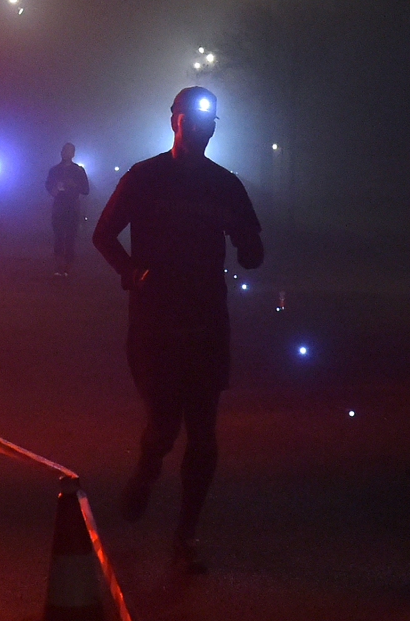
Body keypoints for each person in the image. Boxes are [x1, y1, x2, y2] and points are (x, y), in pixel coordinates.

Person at [92, 86, 263, 573]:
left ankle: (187, 533)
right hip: (156, 320)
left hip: (206, 318)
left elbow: (253, 254)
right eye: (194, 118)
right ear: (175, 122)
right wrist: (132, 272)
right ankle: (148, 466)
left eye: (212, 121)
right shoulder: (145, 177)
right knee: (166, 422)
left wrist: (244, 236)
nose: (204, 127)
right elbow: (104, 234)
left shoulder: (226, 185)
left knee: (204, 432)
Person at [45, 142, 90, 277]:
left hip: (72, 207)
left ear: (73, 154)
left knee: (70, 237)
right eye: (64, 150)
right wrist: (53, 189)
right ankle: (59, 266)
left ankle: (67, 267)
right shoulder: (54, 170)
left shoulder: (78, 170)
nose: (66, 153)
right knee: (58, 237)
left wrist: (74, 185)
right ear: (61, 152)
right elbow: (48, 185)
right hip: (59, 207)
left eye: (69, 151)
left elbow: (86, 190)